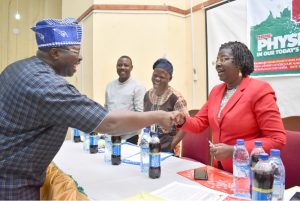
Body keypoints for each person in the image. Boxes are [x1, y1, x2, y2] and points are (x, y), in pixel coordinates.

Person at [0, 18, 178, 200]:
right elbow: (109, 122)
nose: (80, 57)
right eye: (75, 51)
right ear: (54, 53)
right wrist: (158, 116)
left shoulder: (17, 68)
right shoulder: (47, 85)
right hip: (13, 185)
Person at [175, 41, 286, 173]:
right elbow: (199, 124)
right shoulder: (216, 91)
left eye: (224, 59)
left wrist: (234, 150)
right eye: (217, 60)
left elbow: (277, 139)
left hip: (250, 172)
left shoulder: (259, 90)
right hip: (220, 169)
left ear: (239, 63)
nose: (218, 64)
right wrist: (181, 120)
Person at [144, 58, 189, 156]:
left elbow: (187, 126)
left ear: (170, 78)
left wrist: (171, 145)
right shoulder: (147, 95)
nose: (157, 79)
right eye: (155, 75)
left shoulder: (176, 98)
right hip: (147, 148)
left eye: (162, 77)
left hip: (166, 151)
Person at [105, 56, 146, 144]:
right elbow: (106, 109)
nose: (122, 67)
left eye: (126, 65)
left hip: (129, 136)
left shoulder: (138, 87)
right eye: (120, 65)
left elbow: (139, 113)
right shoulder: (110, 86)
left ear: (131, 68)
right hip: (111, 134)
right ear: (116, 67)